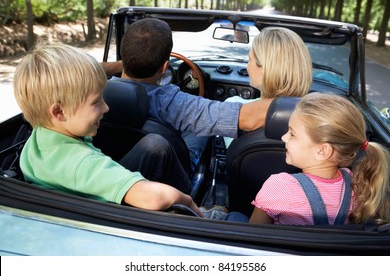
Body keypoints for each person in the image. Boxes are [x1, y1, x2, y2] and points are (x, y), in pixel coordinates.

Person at [13, 42, 203, 216]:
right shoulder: (80, 163)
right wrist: (189, 203)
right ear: (59, 112)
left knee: (155, 144)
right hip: (117, 217)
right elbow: (154, 197)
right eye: (96, 102)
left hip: (88, 206)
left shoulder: (40, 136)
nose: (106, 107)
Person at [108, 18, 273, 176]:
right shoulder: (174, 104)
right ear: (165, 67)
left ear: (124, 55)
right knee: (200, 130)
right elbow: (250, 118)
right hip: (169, 180)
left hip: (115, 167)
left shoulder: (95, 92)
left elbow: (84, 66)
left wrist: (123, 63)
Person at [226, 93, 390, 225]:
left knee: (234, 216)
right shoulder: (358, 184)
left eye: (292, 134)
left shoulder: (280, 186)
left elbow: (253, 236)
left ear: (322, 151)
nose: (283, 138)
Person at [223, 27, 312, 148]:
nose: (247, 66)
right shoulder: (316, 114)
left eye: (250, 59)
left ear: (265, 69)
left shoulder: (236, 107)